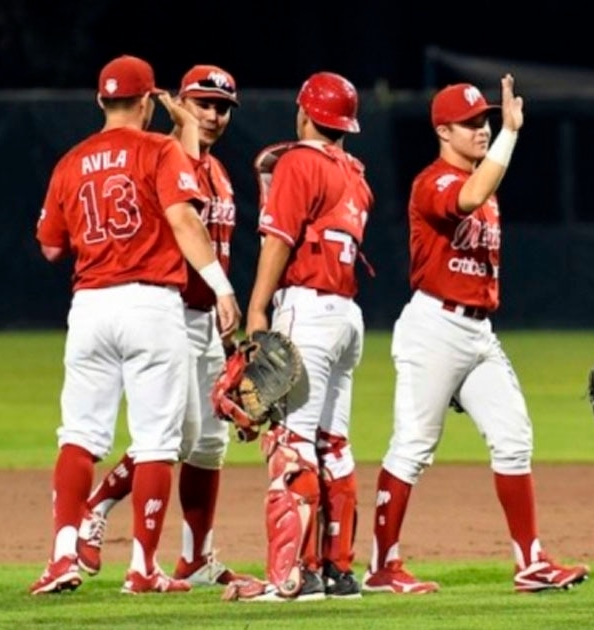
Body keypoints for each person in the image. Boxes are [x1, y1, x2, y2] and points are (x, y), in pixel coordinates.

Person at [363, 76, 589, 595]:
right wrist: (511, 133)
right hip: (435, 327)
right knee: (414, 447)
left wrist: (502, 137)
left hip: (477, 330)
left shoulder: (486, 188)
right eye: (470, 123)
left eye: (484, 120)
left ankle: (530, 562)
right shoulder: (434, 183)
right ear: (443, 131)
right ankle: (381, 566)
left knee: (514, 439)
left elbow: (483, 188)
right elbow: (471, 193)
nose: (481, 129)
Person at [30, 54, 241, 595]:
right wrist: (221, 286)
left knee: (78, 435)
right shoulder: (161, 148)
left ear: (101, 100)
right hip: (152, 304)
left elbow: (52, 245)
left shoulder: (70, 161)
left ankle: (60, 558)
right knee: (156, 442)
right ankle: (143, 568)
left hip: (91, 306)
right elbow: (181, 218)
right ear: (149, 102)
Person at [226, 71, 373, 602]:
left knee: (290, 446)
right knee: (332, 444)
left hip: (306, 309)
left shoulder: (300, 163)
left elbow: (278, 243)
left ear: (305, 114)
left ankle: (293, 576)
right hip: (347, 317)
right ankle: (337, 572)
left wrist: (258, 308)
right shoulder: (355, 173)